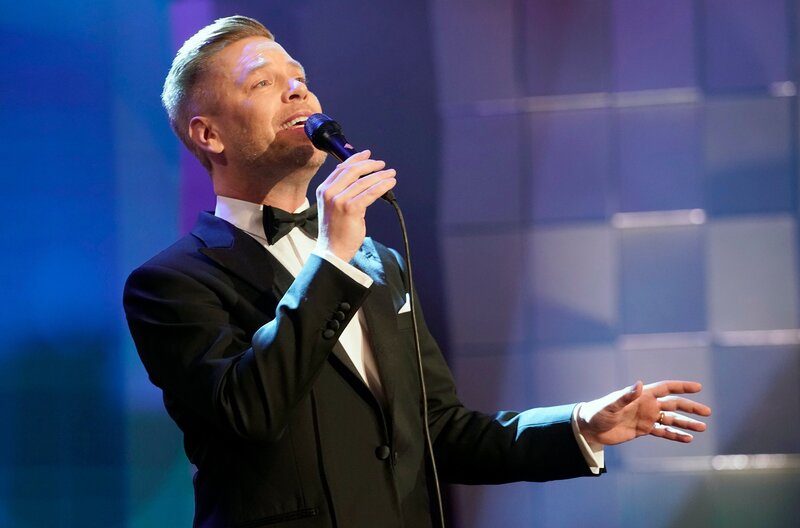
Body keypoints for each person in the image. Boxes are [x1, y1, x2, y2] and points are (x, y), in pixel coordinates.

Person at [123, 15, 711, 528]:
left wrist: (579, 426)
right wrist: (331, 262)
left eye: (299, 78)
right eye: (263, 83)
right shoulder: (172, 284)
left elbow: (439, 431)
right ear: (208, 133)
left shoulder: (381, 264)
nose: (297, 91)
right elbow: (249, 412)